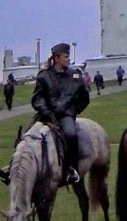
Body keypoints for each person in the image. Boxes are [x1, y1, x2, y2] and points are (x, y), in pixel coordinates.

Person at [30, 42, 89, 184]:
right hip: (46, 114)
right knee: (27, 135)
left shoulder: (75, 76)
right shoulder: (44, 76)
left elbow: (84, 98)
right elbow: (37, 98)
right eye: (66, 56)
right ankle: (13, 165)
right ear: (57, 58)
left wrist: (73, 111)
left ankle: (72, 168)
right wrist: (46, 111)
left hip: (65, 115)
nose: (69, 59)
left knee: (70, 134)